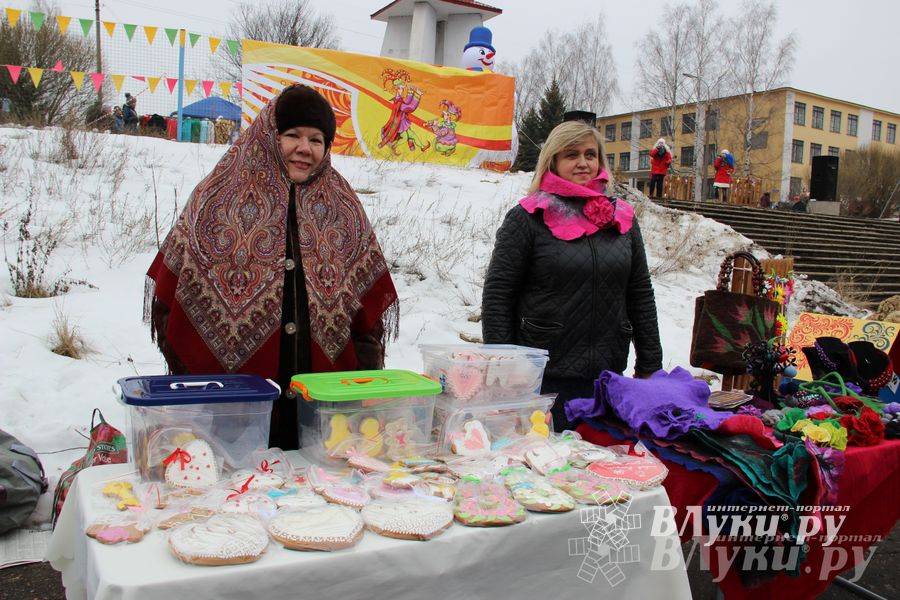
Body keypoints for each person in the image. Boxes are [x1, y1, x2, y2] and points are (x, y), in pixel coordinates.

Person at [145, 84, 399, 450]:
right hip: (235, 411)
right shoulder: (217, 197)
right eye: (292, 135)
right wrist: (195, 373)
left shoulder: (343, 208)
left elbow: (366, 312)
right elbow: (171, 300)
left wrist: (360, 378)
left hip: (323, 411)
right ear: (269, 135)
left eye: (316, 139)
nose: (304, 148)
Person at [481, 120, 663, 431]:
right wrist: (506, 367)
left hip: (607, 378)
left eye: (590, 154)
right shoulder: (527, 218)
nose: (583, 163)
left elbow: (640, 293)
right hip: (543, 380)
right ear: (552, 161)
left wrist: (650, 365)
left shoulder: (621, 219)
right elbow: (498, 295)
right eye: (571, 154)